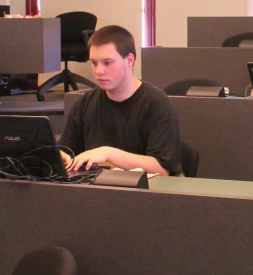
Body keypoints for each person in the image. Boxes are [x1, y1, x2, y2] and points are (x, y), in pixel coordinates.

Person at [58, 25, 182, 175]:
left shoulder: (156, 103)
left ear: (129, 60)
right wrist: (61, 156)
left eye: (107, 62)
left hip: (144, 193)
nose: (99, 71)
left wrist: (109, 154)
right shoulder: (84, 104)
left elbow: (161, 169)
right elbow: (66, 149)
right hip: (95, 190)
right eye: (94, 63)